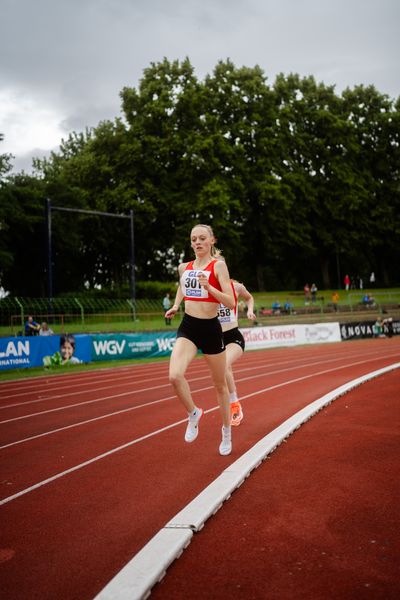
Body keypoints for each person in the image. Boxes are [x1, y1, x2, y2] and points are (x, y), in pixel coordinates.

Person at [165, 224, 235, 456]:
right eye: (194, 239)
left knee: (219, 385)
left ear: (212, 240)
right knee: (174, 376)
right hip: (189, 326)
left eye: (202, 238)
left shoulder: (219, 266)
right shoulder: (183, 267)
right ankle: (193, 413)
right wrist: (176, 305)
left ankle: (226, 431)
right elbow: (182, 287)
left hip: (211, 329)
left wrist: (210, 289)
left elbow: (231, 302)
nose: (197, 242)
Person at [217, 277, 256, 426]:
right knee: (224, 374)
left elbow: (249, 297)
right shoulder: (207, 290)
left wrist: (249, 311)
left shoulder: (236, 287)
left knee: (224, 364)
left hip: (234, 337)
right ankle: (231, 407)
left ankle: (234, 403)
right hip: (216, 339)